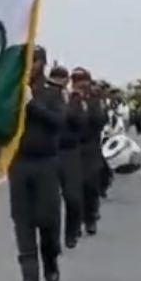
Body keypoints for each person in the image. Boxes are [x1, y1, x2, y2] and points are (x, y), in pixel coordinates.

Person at [9, 46, 65, 281]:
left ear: (41, 63)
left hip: (46, 163)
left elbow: (58, 122)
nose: (28, 66)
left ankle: (51, 259)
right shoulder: (11, 89)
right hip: (19, 163)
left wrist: (32, 105)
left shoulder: (53, 93)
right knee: (22, 220)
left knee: (47, 219)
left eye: (32, 61)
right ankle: (29, 279)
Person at [52, 64, 85, 249]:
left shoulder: (76, 99)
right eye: (54, 77)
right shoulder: (48, 97)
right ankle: (53, 241)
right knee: (50, 203)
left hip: (70, 151)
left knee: (72, 197)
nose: (58, 81)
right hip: (51, 151)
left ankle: (71, 232)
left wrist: (69, 107)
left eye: (61, 78)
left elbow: (81, 122)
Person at [73, 67, 107, 236]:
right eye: (76, 80)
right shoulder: (71, 99)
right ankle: (77, 221)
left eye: (82, 79)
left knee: (91, 186)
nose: (80, 83)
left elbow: (101, 120)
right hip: (73, 147)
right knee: (75, 187)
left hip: (91, 146)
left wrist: (88, 109)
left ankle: (91, 218)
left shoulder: (95, 100)